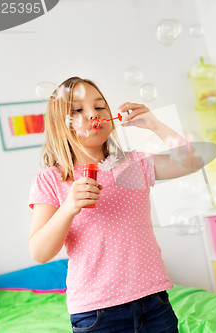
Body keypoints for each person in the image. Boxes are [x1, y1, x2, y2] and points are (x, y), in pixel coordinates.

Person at [29, 77, 201, 332]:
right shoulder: (52, 179)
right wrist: (68, 208)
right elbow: (39, 253)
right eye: (78, 110)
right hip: (95, 313)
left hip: (154, 303)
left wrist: (155, 124)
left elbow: (192, 160)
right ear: (60, 125)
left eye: (99, 107)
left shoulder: (135, 164)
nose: (93, 114)